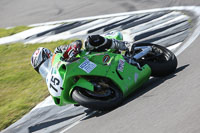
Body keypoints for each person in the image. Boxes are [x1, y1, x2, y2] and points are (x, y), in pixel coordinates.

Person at [31, 33, 132, 78]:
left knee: (89, 42)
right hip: (82, 70)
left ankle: (124, 45)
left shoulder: (58, 52)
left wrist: (72, 51)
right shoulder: (55, 75)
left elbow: (76, 43)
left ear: (48, 55)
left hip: (89, 57)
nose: (44, 70)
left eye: (43, 64)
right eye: (41, 70)